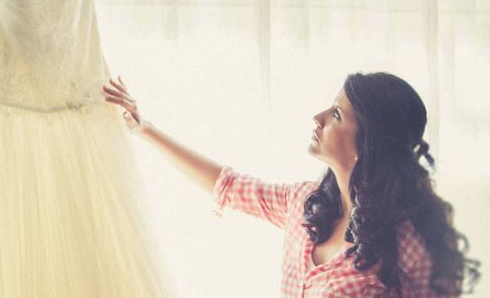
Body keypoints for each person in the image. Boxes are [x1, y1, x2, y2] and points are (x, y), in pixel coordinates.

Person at [102, 72, 481, 297]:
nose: (316, 118)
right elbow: (228, 185)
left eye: (335, 114)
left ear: (369, 142)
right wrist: (144, 129)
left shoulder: (407, 240)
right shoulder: (305, 204)